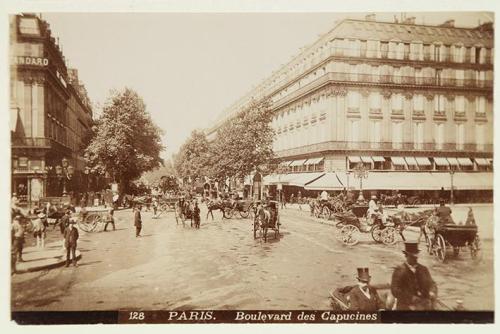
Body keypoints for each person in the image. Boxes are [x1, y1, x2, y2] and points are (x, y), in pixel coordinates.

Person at [391, 242, 437, 310]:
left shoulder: (423, 269)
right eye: (412, 257)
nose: (415, 259)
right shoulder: (399, 270)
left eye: (416, 257)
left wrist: (432, 291)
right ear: (406, 256)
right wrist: (410, 298)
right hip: (406, 304)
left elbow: (432, 283)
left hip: (423, 303)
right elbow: (395, 290)